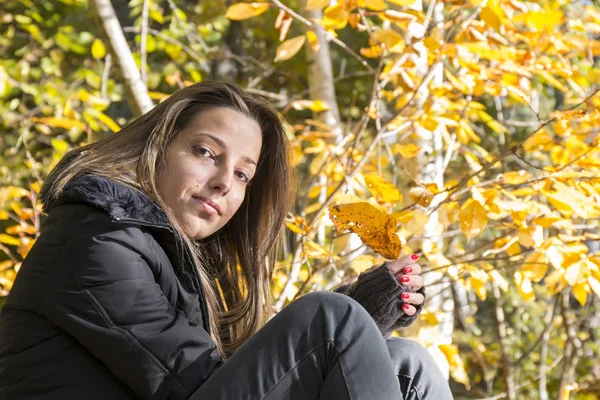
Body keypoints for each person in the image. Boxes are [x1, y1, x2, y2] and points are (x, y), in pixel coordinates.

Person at [0, 81, 453, 399]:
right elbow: (195, 383)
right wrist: (352, 319)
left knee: (405, 363)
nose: (223, 183)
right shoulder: (97, 242)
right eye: (205, 152)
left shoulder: (173, 262)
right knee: (330, 319)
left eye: (242, 174)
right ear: (156, 149)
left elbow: (242, 376)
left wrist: (363, 317)